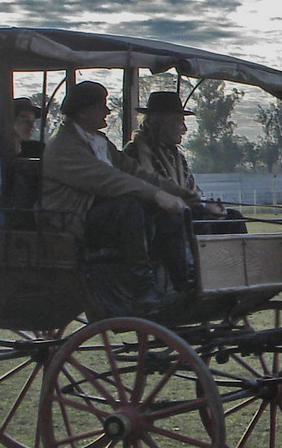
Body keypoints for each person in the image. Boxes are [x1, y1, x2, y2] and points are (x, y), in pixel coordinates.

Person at [39, 81, 198, 308]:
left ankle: (182, 282)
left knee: (163, 211)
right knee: (128, 206)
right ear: (83, 111)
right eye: (101, 106)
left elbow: (133, 170)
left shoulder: (98, 139)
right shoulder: (63, 146)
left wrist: (179, 193)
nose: (107, 111)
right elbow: (109, 179)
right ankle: (142, 288)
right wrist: (156, 195)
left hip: (101, 214)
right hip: (73, 219)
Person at [124, 90, 246, 235]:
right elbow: (153, 189)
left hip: (186, 212)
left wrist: (208, 204)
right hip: (156, 221)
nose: (185, 129)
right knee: (196, 215)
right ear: (161, 123)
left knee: (233, 218)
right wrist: (200, 205)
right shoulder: (134, 152)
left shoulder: (177, 157)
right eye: (179, 122)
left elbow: (192, 190)